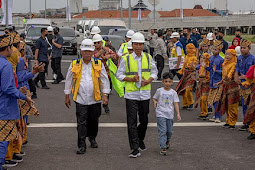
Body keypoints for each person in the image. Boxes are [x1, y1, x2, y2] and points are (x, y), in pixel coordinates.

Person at [64, 39, 110, 154]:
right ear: (81, 51)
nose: (87, 53)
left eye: (89, 51)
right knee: (81, 122)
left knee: (94, 121)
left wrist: (105, 95)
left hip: (95, 99)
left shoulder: (98, 63)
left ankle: (92, 137)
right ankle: (81, 145)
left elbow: (104, 79)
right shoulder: (75, 63)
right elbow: (69, 79)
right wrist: (67, 95)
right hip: (80, 99)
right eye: (85, 51)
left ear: (93, 51)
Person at [116, 32, 158, 158]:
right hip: (131, 94)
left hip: (144, 94)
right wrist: (130, 79)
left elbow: (155, 73)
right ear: (132, 45)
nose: (138, 47)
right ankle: (134, 148)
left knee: (144, 120)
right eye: (136, 44)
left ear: (143, 45)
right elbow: (119, 75)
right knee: (132, 121)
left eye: (140, 44)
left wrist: (149, 80)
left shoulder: (148, 57)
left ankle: (140, 139)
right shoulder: (125, 59)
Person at [0, 34, 33, 169]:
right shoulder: (6, 65)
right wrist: (24, 97)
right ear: (8, 48)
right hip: (4, 108)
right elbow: (8, 88)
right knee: (3, 140)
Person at [153, 72, 181, 156]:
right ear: (162, 82)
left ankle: (167, 141)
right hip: (160, 113)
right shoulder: (159, 91)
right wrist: (155, 102)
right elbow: (154, 98)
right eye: (166, 81)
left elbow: (176, 103)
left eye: (169, 81)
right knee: (162, 131)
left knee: (169, 131)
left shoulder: (173, 93)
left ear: (172, 82)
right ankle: (163, 147)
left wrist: (178, 114)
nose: (167, 83)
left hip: (170, 114)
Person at [93, 34, 118, 114]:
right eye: (95, 43)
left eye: (98, 42)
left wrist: (109, 56)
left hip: (106, 73)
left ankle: (105, 103)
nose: (97, 44)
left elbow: (115, 55)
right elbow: (91, 58)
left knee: (107, 89)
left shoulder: (106, 49)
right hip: (95, 73)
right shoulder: (91, 50)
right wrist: (99, 54)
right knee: (96, 89)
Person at [216, 49, 240, 129]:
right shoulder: (225, 64)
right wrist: (221, 82)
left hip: (232, 86)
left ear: (233, 56)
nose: (227, 56)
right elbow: (224, 76)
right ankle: (228, 120)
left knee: (232, 105)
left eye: (229, 55)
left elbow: (230, 74)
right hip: (225, 86)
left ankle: (232, 122)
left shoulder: (234, 64)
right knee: (226, 104)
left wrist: (228, 77)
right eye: (226, 54)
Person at [235, 39, 255, 131]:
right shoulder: (239, 58)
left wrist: (246, 77)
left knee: (250, 106)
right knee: (244, 105)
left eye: (244, 48)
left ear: (249, 48)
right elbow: (237, 69)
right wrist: (236, 76)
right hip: (242, 86)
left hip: (250, 86)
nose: (242, 50)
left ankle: (251, 124)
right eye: (241, 48)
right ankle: (246, 122)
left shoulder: (253, 58)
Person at [205, 40, 224, 123]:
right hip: (212, 81)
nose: (213, 51)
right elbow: (210, 69)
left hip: (218, 82)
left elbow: (223, 71)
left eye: (215, 49)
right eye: (213, 49)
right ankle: (216, 115)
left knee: (216, 100)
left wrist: (217, 71)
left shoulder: (221, 60)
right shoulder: (211, 58)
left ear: (219, 51)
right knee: (211, 100)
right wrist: (205, 67)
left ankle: (218, 116)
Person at [175, 43, 198, 110]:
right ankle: (185, 104)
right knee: (184, 89)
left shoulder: (194, 58)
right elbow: (184, 65)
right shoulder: (186, 56)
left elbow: (194, 67)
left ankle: (190, 103)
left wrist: (192, 66)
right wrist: (181, 71)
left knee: (188, 89)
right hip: (185, 74)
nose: (187, 50)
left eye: (188, 48)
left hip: (191, 74)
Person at [194, 53, 211, 120]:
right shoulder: (201, 66)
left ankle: (205, 113)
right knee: (201, 98)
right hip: (201, 83)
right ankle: (203, 113)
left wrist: (206, 80)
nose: (202, 59)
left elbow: (210, 76)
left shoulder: (208, 66)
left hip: (206, 84)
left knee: (204, 98)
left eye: (204, 58)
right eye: (201, 57)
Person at [241, 65, 255, 139]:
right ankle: (253, 131)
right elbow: (248, 82)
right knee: (252, 112)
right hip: (254, 93)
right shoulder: (253, 68)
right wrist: (241, 83)